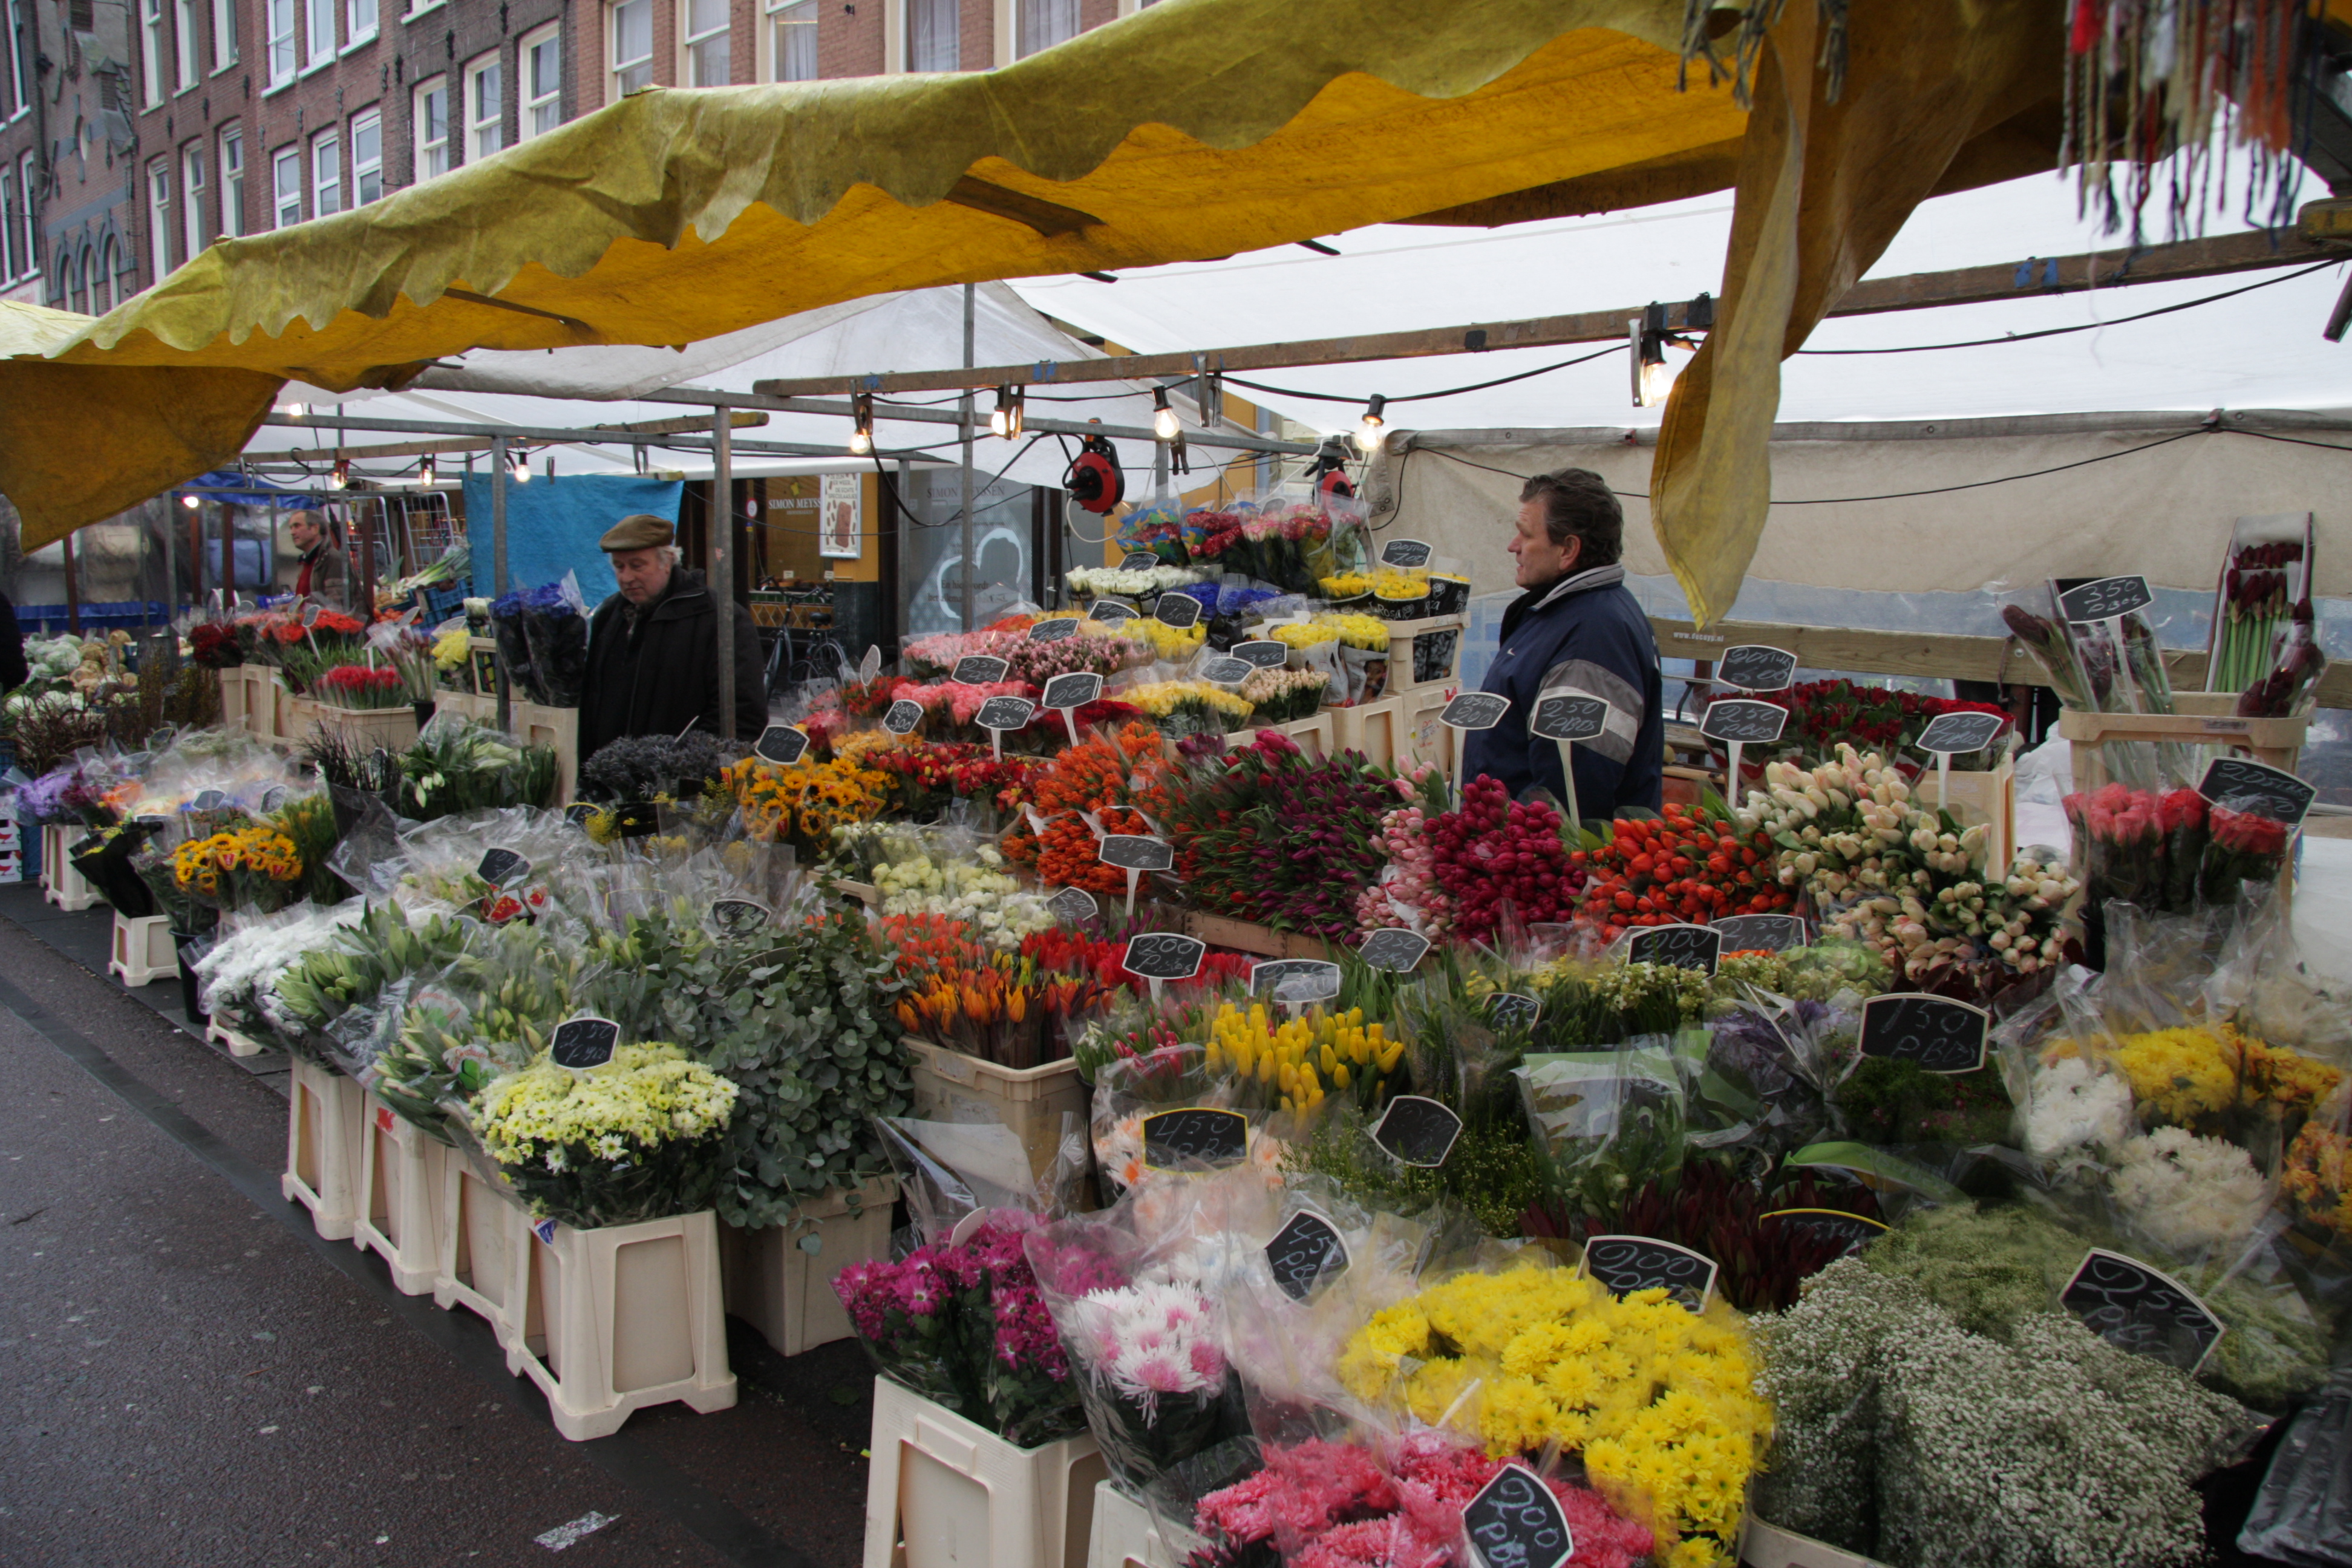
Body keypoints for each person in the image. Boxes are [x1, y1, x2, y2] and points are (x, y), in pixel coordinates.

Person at [1459, 468, 1664, 820]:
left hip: (1541, 845)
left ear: (1568, 549)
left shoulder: (1593, 635)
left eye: (1526, 534)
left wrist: (1518, 839)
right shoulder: (1568, 612)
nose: (1513, 546)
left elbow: (1575, 790)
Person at [578, 515, 767, 761]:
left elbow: (743, 716)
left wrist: (675, 765)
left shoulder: (719, 619)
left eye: (637, 566)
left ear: (667, 561)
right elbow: (592, 704)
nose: (626, 577)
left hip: (680, 779)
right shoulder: (608, 615)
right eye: (619, 567)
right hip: (610, 775)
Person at [287, 509, 355, 613]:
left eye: (297, 526)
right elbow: (305, 599)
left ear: (315, 529)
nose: (292, 532)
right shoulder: (308, 560)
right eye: (291, 528)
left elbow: (336, 607)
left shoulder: (332, 559)